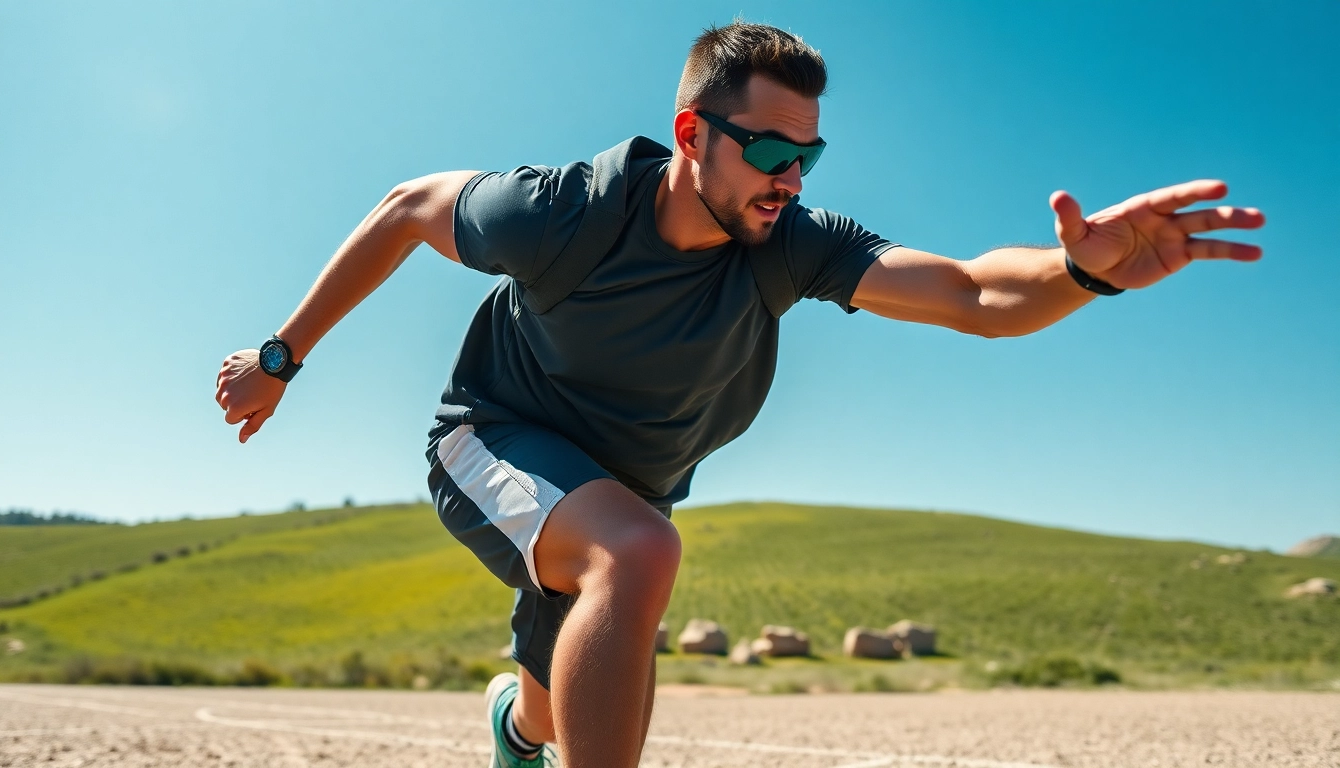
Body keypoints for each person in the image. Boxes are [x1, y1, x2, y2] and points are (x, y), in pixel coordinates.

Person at [214, 21, 1265, 768]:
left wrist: (1080, 270)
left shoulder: (789, 244)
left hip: (622, 490)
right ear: (690, 136)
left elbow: (973, 294)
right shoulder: (565, 213)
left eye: (806, 154)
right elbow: (404, 208)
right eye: (768, 150)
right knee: (639, 556)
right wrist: (281, 357)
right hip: (493, 440)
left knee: (558, 707)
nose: (790, 177)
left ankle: (514, 729)